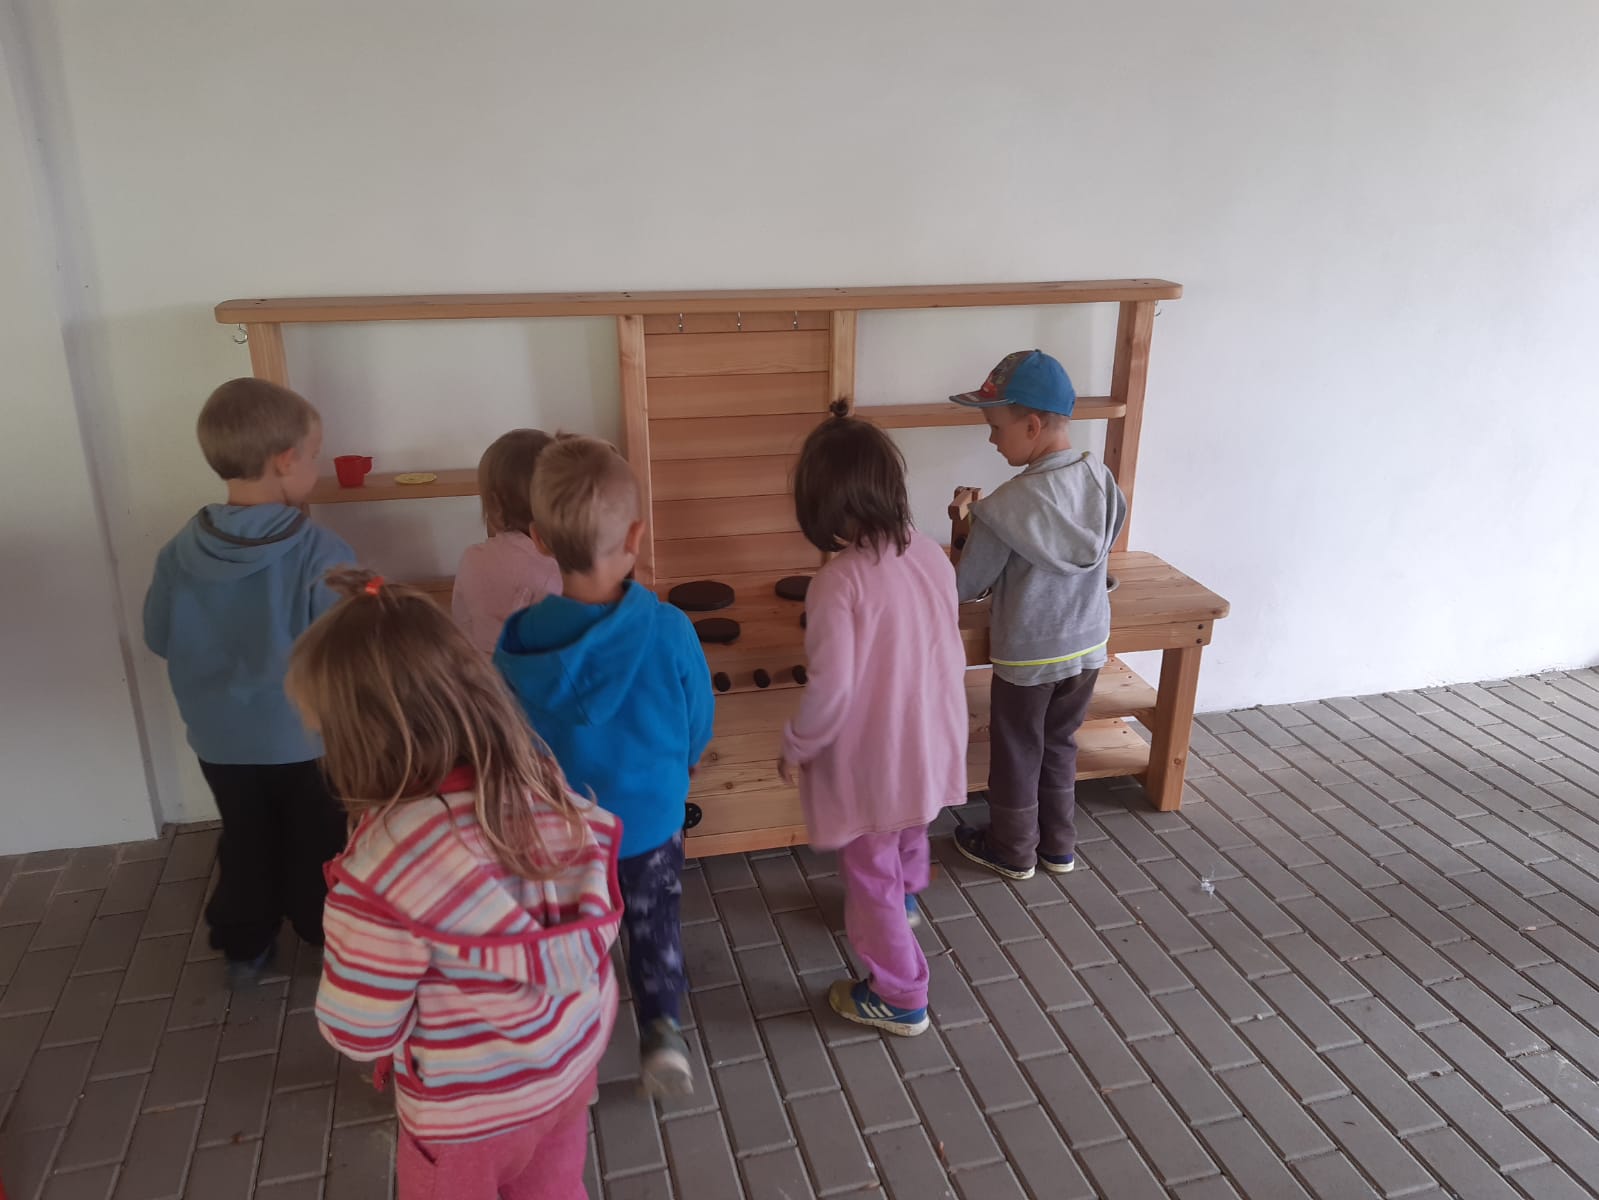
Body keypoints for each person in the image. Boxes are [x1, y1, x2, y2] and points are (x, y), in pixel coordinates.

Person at [296, 571, 621, 1200]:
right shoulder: (541, 785)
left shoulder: (381, 870)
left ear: (355, 740)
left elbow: (359, 1029)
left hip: (467, 1116)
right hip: (568, 1068)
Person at [493, 436, 713, 1096]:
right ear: (636, 535)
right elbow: (697, 717)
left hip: (561, 830)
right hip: (650, 821)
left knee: (570, 934)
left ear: (538, 539)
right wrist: (683, 764)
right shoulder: (669, 628)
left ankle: (570, 1046)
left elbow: (509, 734)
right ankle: (662, 1031)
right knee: (654, 924)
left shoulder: (518, 642)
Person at [142, 378, 354, 988]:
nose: (315, 467)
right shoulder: (320, 551)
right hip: (304, 738)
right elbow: (346, 651)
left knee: (244, 836)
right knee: (317, 840)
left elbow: (158, 637)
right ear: (286, 461)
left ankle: (245, 946)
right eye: (314, 455)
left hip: (219, 739)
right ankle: (326, 935)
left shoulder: (177, 550)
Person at [777, 415, 967, 1037]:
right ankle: (905, 900)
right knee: (910, 830)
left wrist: (797, 745)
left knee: (869, 872)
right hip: (931, 742)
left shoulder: (838, 583)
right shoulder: (931, 553)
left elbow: (831, 689)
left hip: (876, 762)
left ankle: (900, 993)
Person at [947, 350, 1127, 881]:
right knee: (1059, 744)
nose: (991, 439)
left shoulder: (1005, 507)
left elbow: (965, 586)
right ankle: (1058, 846)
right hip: (1088, 644)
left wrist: (964, 534)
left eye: (995, 427)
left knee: (1018, 751)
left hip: (1029, 656)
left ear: (1030, 425)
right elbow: (1104, 540)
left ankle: (1012, 848)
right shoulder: (1099, 477)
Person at [453, 428, 563, 656]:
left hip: (485, 671)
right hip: (550, 671)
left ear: (493, 504)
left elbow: (461, 623)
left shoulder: (473, 559)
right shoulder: (568, 563)